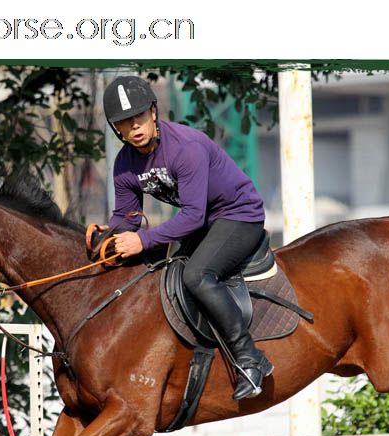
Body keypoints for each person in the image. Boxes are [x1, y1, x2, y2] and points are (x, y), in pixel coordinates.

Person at [102, 75, 272, 400]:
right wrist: (109, 240)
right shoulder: (124, 164)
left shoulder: (185, 147)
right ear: (116, 129)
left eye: (139, 116)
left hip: (238, 214)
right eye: (124, 122)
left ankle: (250, 359)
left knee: (197, 275)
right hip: (205, 223)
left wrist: (143, 240)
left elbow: (192, 216)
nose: (134, 126)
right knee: (155, 273)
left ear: (153, 113)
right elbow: (126, 218)